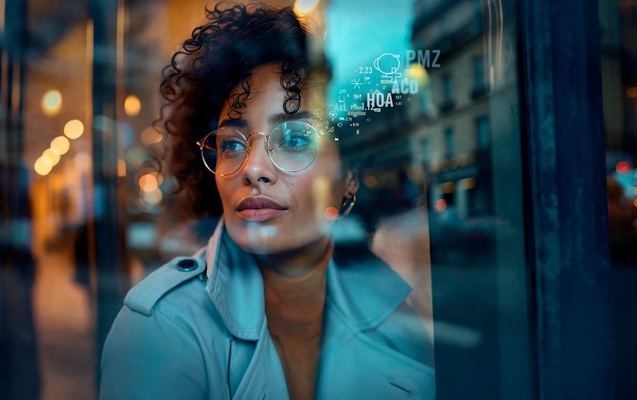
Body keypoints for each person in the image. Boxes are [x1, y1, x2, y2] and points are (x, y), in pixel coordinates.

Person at [99, 4, 435, 399]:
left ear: (349, 176)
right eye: (232, 144)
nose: (252, 167)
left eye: (294, 139)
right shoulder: (161, 328)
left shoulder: (398, 314)